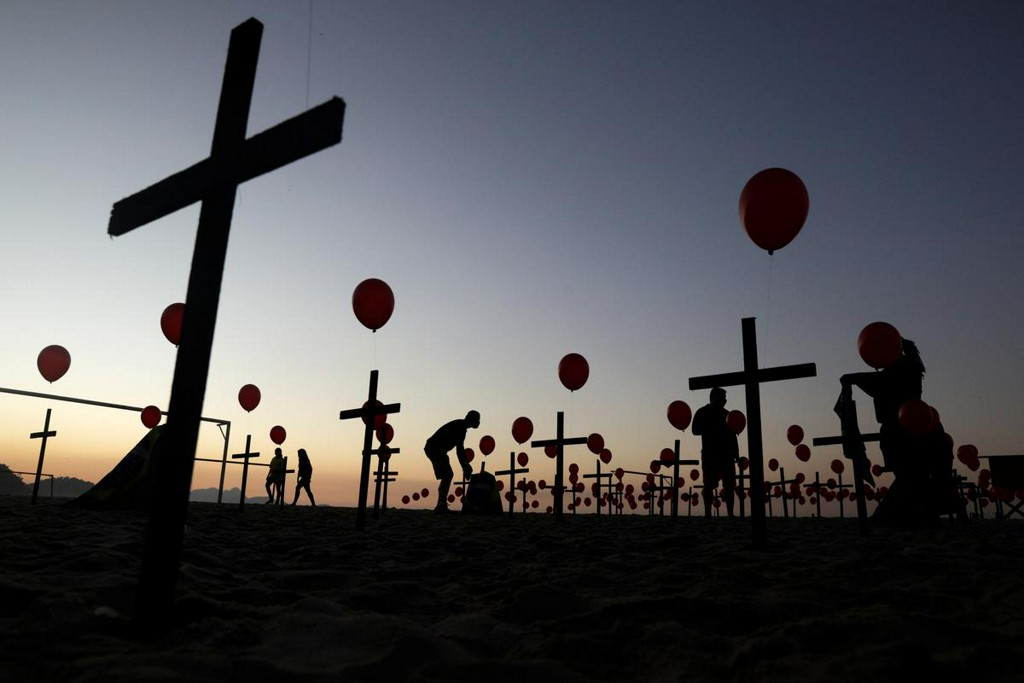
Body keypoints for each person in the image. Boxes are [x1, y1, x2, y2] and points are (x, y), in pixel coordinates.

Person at [841, 339, 961, 525]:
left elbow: (878, 382)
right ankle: (922, 512)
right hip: (921, 424)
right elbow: (878, 381)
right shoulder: (910, 366)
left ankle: (907, 514)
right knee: (916, 475)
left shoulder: (900, 369)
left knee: (908, 475)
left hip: (903, 430)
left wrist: (852, 378)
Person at [691, 387, 738, 518]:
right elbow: (694, 430)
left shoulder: (727, 414)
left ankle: (730, 513)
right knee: (709, 484)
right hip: (710, 453)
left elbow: (733, 434)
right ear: (715, 398)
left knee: (729, 485)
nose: (725, 400)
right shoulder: (702, 412)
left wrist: (736, 452)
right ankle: (707, 513)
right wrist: (709, 428)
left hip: (727, 454)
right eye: (723, 397)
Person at [424, 410, 480, 513]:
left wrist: (466, 465)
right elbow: (460, 451)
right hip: (435, 448)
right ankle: (441, 504)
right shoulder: (460, 428)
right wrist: (465, 466)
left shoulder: (460, 426)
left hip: (435, 448)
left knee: (447, 475)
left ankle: (441, 504)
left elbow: (460, 451)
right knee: (448, 475)